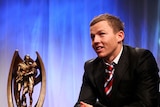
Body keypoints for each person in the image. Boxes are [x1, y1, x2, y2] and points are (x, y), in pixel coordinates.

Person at [74, 13, 160, 107]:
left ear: (120, 36)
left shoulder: (141, 59)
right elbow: (82, 104)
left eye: (101, 34)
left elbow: (146, 104)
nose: (95, 41)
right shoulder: (90, 66)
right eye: (92, 37)